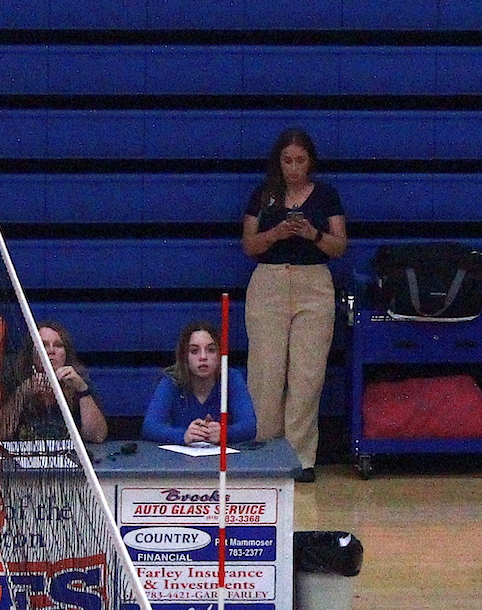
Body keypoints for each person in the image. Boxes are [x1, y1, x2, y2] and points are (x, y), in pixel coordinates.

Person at [240, 128, 346, 480]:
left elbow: (339, 246)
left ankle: (301, 458)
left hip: (313, 283)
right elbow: (249, 245)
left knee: (307, 375)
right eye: (288, 160)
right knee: (265, 373)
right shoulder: (263, 195)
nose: (294, 167)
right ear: (279, 162)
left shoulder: (326, 195)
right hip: (269, 282)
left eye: (301, 161)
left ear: (310, 162)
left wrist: (313, 234)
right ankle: (265, 454)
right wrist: (276, 233)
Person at [141, 319, 258, 449]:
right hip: (180, 459)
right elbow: (150, 427)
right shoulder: (172, 381)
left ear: (220, 354)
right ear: (184, 356)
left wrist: (224, 433)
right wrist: (183, 435)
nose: (203, 357)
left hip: (224, 458)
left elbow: (249, 426)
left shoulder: (231, 378)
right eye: (194, 351)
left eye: (211, 350)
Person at [1, 320, 108, 444]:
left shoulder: (78, 382)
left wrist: (82, 389)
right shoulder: (15, 379)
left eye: (58, 345)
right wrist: (21, 394)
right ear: (30, 352)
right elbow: (1, 434)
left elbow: (97, 436)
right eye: (43, 345)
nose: (51, 351)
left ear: (66, 353)